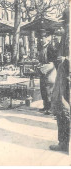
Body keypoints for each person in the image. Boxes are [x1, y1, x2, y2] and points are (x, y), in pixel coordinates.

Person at [49, 8, 70, 153]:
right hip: (63, 78)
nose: (62, 27)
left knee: (65, 111)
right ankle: (63, 143)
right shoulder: (65, 37)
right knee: (61, 111)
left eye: (65, 23)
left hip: (67, 79)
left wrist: (66, 59)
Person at [37, 33, 57, 115]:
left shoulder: (51, 47)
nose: (41, 40)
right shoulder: (42, 47)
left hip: (50, 68)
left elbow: (54, 59)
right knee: (43, 89)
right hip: (43, 68)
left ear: (47, 38)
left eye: (43, 38)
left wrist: (46, 65)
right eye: (40, 39)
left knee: (49, 89)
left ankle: (51, 108)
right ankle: (45, 106)